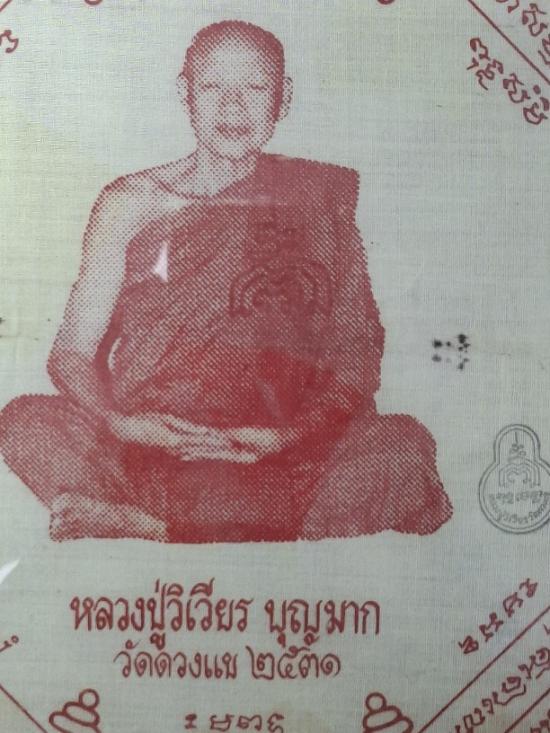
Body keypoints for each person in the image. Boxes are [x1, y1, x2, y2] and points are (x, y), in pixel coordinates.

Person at [0, 20, 453, 543]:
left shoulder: (318, 202)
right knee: (25, 421)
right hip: (154, 442)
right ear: (185, 92)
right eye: (213, 87)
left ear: (283, 99)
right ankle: (221, 522)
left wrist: (286, 435)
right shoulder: (130, 204)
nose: (232, 107)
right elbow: (70, 354)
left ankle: (149, 524)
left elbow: (356, 353)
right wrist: (122, 423)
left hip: (273, 449)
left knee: (403, 446)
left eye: (254, 88)